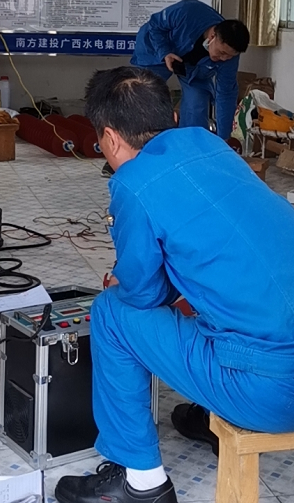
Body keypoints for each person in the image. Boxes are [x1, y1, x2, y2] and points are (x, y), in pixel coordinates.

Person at [55, 67, 294, 503]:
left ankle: (140, 482)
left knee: (112, 314)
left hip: (271, 394)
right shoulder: (210, 143)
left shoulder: (134, 183)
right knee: (222, 288)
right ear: (173, 116)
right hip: (278, 358)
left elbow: (143, 294)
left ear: (110, 138)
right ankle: (208, 414)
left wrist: (133, 276)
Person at [100, 0, 250, 179]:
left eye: (229, 56)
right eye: (222, 52)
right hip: (156, 51)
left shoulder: (229, 57)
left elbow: (226, 94)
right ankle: (120, 157)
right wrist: (165, 52)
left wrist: (224, 139)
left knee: (197, 106)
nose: (224, 59)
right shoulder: (188, 11)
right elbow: (155, 25)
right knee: (140, 100)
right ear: (212, 36)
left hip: (194, 69)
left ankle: (190, 161)